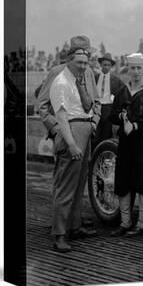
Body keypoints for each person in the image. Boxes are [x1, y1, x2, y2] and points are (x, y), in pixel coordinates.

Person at [48, 36, 101, 252]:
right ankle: (59, 234)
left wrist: (93, 122)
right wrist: (71, 144)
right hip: (71, 130)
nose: (83, 66)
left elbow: (89, 105)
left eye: (86, 63)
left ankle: (74, 227)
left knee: (79, 186)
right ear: (69, 60)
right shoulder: (60, 81)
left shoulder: (79, 79)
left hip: (85, 128)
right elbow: (61, 117)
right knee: (66, 188)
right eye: (79, 62)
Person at [110, 53, 143, 237]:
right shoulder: (123, 91)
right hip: (125, 143)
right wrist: (122, 117)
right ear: (128, 69)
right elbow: (112, 115)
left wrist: (135, 126)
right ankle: (125, 223)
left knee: (141, 181)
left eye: (139, 68)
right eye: (133, 68)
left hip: (142, 144)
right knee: (122, 180)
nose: (136, 72)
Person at [94, 52, 125, 146]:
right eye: (104, 65)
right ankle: (94, 152)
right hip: (96, 106)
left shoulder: (115, 80)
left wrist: (115, 100)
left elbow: (122, 92)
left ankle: (105, 150)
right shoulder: (95, 77)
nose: (106, 67)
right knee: (95, 130)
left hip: (108, 107)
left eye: (108, 65)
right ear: (101, 65)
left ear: (111, 66)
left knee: (106, 130)